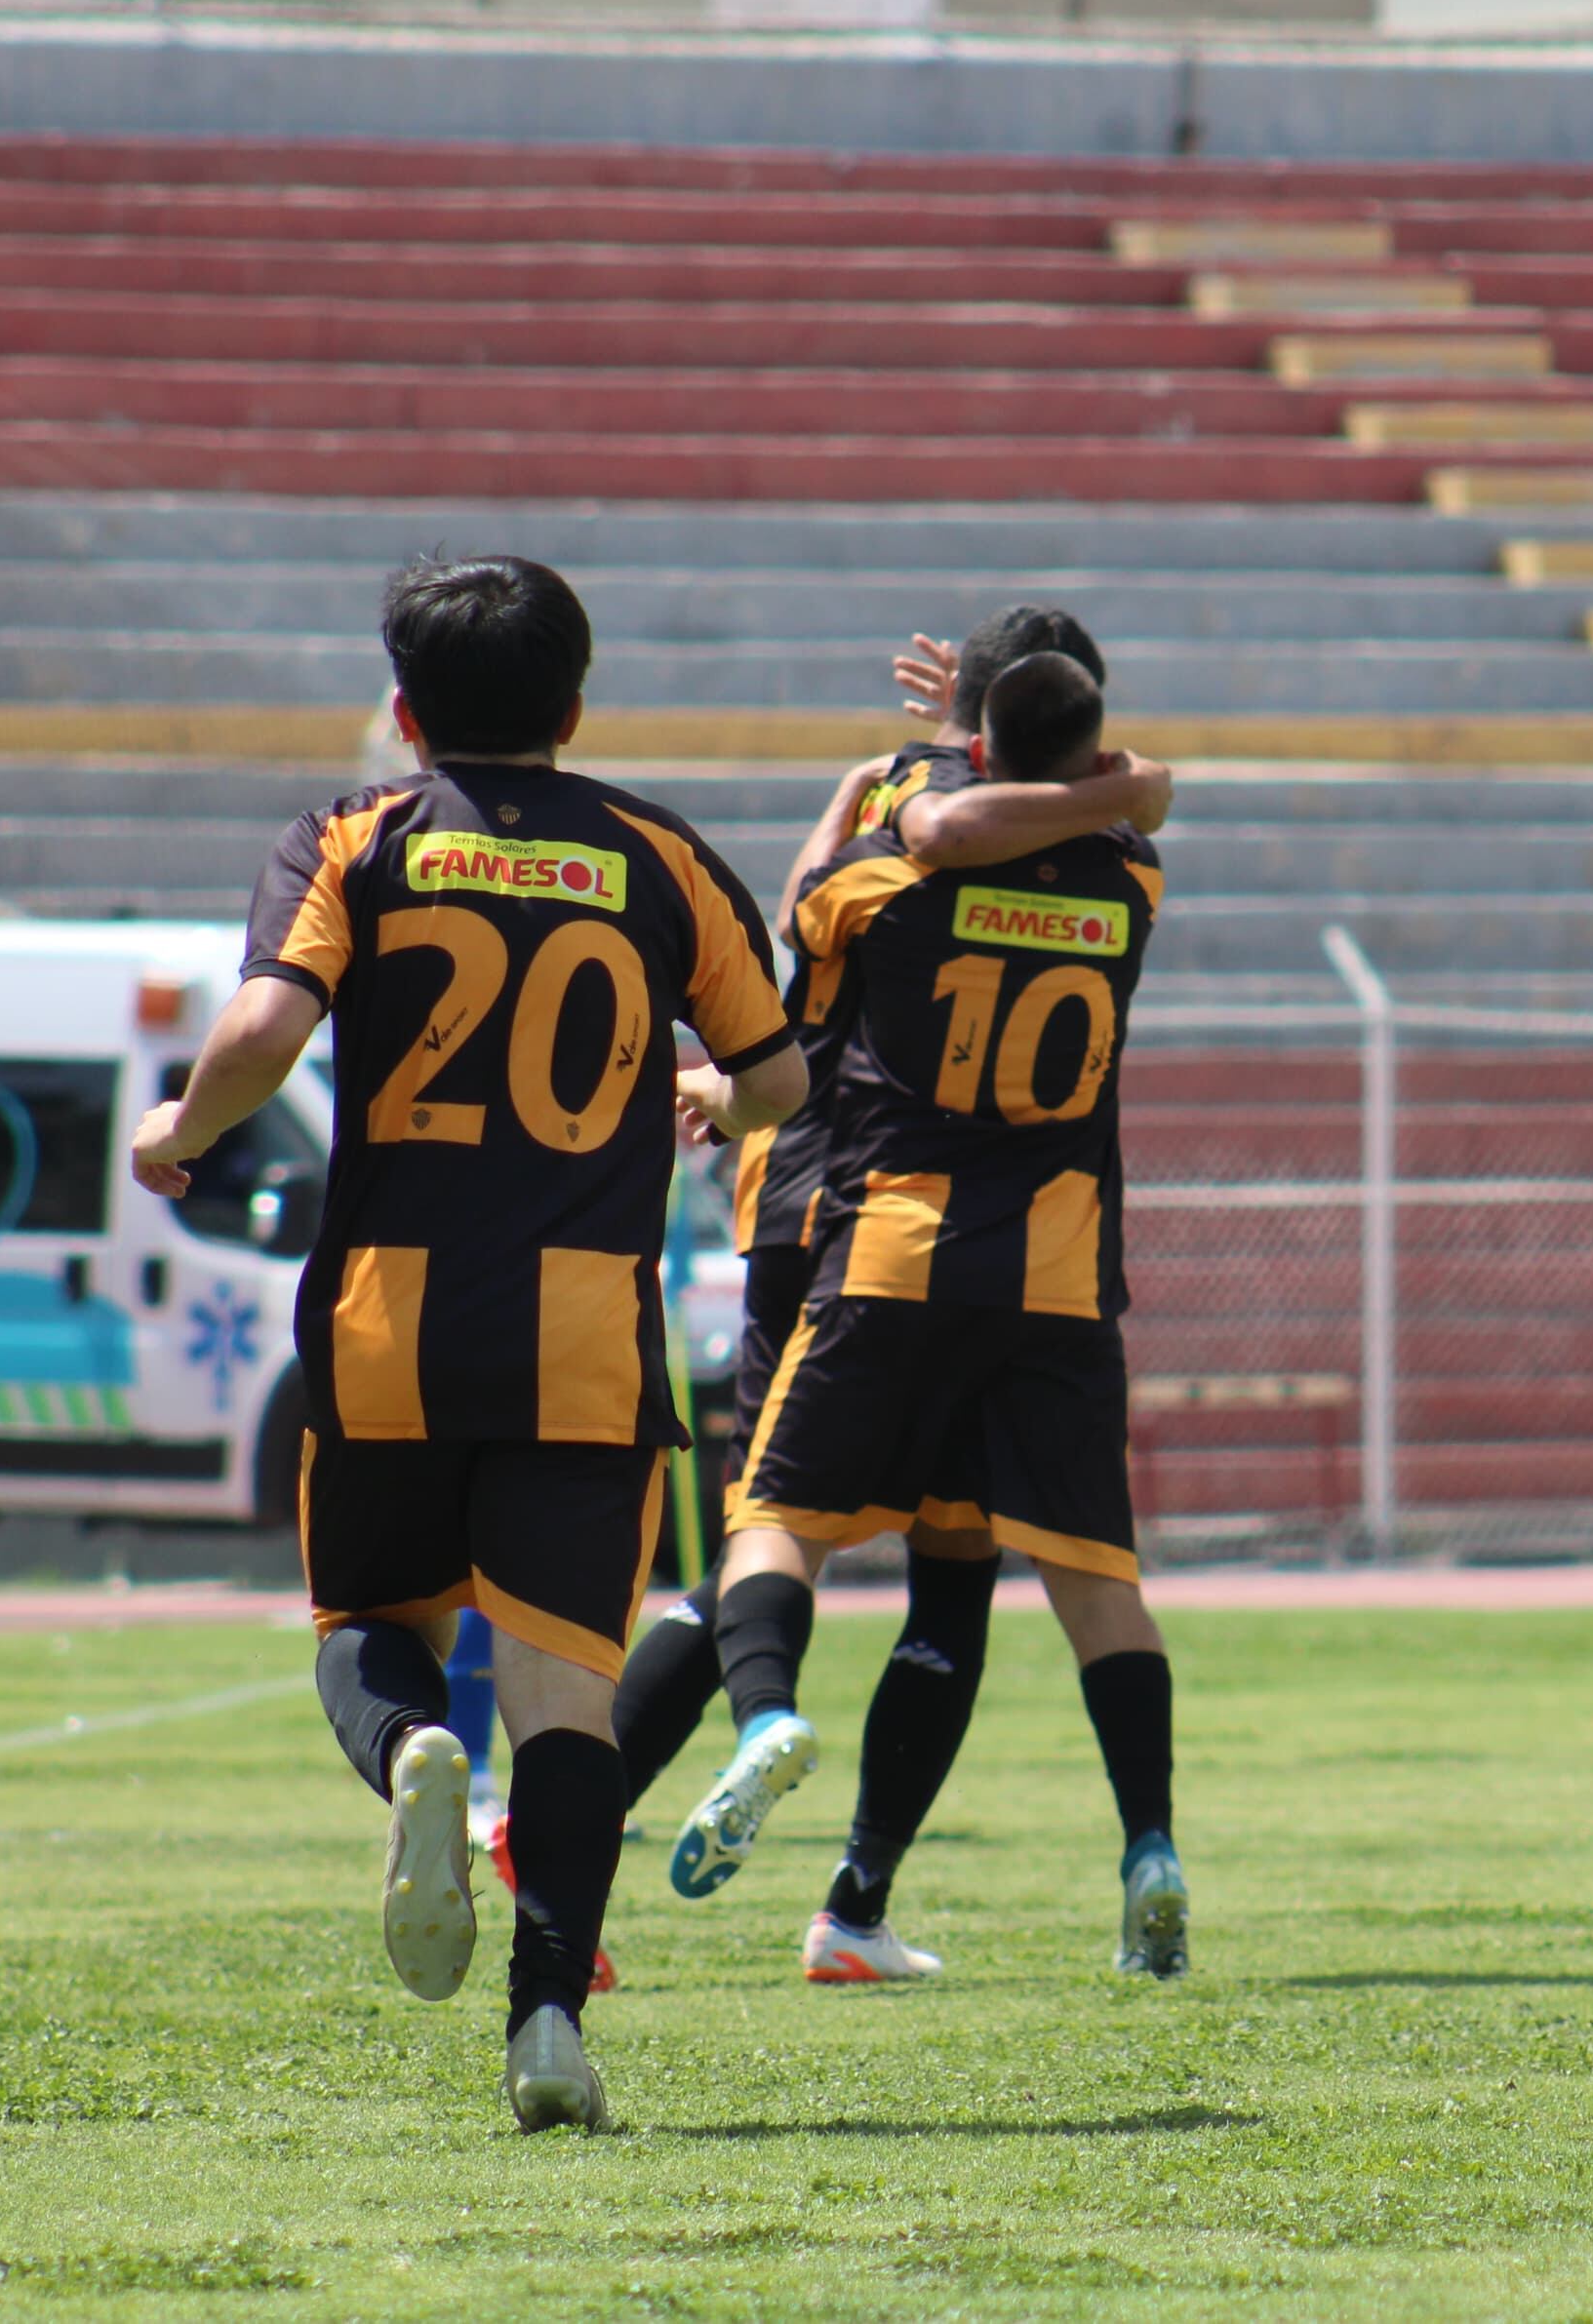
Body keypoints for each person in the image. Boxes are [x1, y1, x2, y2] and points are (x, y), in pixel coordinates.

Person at [132, 553, 803, 2137]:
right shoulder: (659, 854)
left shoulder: (355, 838)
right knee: (572, 1694)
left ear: (408, 710)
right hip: (584, 1324)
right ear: (577, 705)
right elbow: (777, 1076)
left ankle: (424, 1750)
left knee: (367, 1617)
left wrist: (183, 1125)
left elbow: (267, 1029)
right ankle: (549, 2020)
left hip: (391, 1313)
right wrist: (709, 1097)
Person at [609, 605, 1175, 1989]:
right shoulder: (1136, 874)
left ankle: (778, 1815)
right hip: (1037, 1261)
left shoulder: (890, 846)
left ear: (973, 735)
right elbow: (1121, 799)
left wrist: (902, 772)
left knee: (769, 1530)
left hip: (874, 1227)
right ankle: (1126, 1844)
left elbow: (803, 936)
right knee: (1005, 1577)